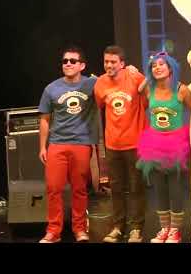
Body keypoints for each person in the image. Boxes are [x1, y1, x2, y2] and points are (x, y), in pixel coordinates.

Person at [38, 42, 97, 243]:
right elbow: (44, 119)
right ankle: (53, 231)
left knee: (79, 189)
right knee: (54, 188)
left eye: (73, 61)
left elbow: (114, 81)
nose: (68, 64)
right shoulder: (51, 89)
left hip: (81, 143)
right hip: (57, 144)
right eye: (65, 61)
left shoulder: (92, 84)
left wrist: (129, 70)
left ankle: (79, 229)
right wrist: (42, 147)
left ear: (82, 65)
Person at [136, 49, 191, 243]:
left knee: (175, 188)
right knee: (159, 188)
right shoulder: (148, 89)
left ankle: (176, 231)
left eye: (162, 64)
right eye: (154, 66)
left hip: (176, 144)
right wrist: (147, 70)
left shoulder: (181, 90)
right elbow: (137, 89)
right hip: (154, 144)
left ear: (171, 68)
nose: (157, 68)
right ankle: (164, 229)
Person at [94, 45, 148, 243]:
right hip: (112, 145)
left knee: (136, 188)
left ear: (122, 64)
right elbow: (101, 107)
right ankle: (118, 227)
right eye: (106, 61)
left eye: (113, 62)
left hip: (135, 143)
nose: (109, 65)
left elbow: (149, 98)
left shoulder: (134, 77)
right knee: (116, 188)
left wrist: (140, 74)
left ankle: (136, 229)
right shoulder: (100, 83)